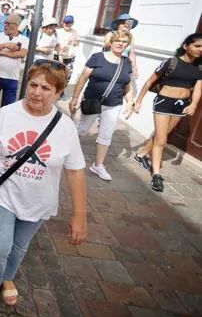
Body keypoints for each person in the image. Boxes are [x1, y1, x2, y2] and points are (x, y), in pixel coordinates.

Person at [0, 61, 87, 313]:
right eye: (33, 85)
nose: (37, 92)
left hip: (39, 200)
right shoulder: (7, 114)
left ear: (58, 92)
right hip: (3, 193)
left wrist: (79, 215)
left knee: (19, 246)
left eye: (46, 88)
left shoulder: (65, 128)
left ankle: (6, 276)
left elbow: (75, 171)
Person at [132, 33, 202, 192]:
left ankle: (141, 154)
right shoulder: (171, 62)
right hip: (164, 102)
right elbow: (150, 81)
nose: (200, 50)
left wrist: (194, 104)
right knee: (162, 140)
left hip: (181, 105)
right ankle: (156, 174)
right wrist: (138, 101)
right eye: (197, 46)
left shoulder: (199, 68)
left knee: (160, 135)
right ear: (186, 46)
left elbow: (198, 89)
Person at [70, 30, 135, 181]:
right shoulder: (97, 58)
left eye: (124, 41)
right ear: (111, 42)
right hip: (93, 100)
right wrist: (74, 98)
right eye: (118, 40)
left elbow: (127, 85)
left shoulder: (127, 62)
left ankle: (98, 165)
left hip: (114, 104)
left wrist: (130, 102)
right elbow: (82, 78)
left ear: (127, 45)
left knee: (106, 135)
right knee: (82, 129)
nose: (120, 43)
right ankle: (64, 150)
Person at [0, 14, 29, 106]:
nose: (4, 25)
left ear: (16, 25)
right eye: (4, 23)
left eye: (7, 23)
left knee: (8, 106)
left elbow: (21, 54)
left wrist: (0, 52)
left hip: (12, 78)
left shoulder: (24, 39)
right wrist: (6, 45)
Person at [104, 13, 139, 77]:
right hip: (109, 63)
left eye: (128, 23)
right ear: (117, 25)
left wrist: (134, 67)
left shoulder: (130, 38)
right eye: (123, 23)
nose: (126, 25)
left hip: (122, 64)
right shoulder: (111, 34)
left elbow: (131, 54)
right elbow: (106, 45)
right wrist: (118, 38)